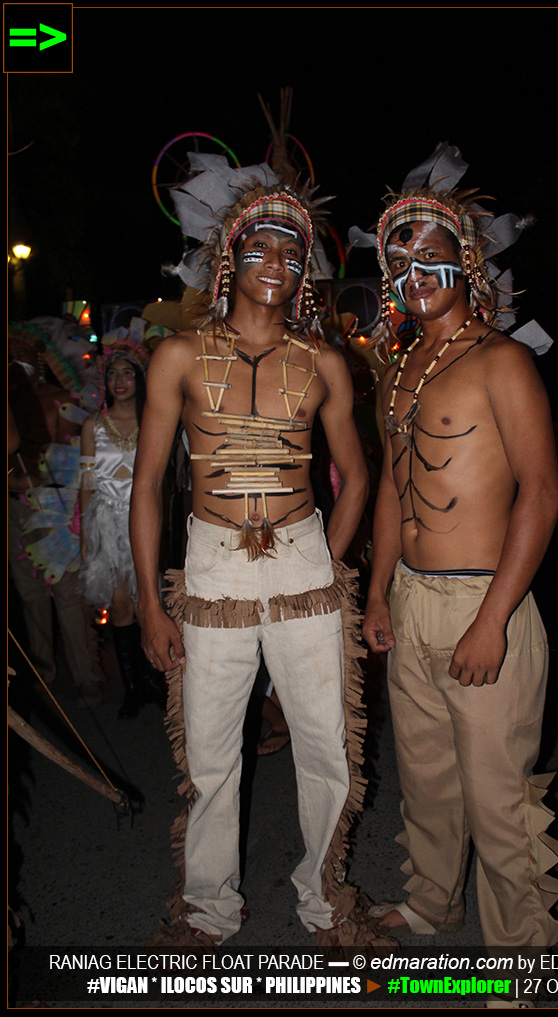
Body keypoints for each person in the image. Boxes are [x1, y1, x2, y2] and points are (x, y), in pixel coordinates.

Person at [130, 156, 369, 944]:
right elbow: (148, 486)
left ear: (306, 270)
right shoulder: (178, 356)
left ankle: (322, 898)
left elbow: (358, 476)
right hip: (213, 562)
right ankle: (207, 907)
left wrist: (320, 565)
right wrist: (146, 603)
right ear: (231, 257)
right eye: (263, 246)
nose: (279, 263)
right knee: (210, 748)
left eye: (293, 253)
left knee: (325, 744)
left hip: (303, 556)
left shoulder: (324, 361)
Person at [355, 144, 558, 986]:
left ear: (467, 261)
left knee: (497, 794)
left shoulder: (503, 361)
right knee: (429, 776)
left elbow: (543, 495)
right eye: (398, 258)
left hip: (487, 602)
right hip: (408, 599)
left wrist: (491, 621)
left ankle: (521, 956)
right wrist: (377, 591)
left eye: (430, 252)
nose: (415, 271)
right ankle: (432, 901)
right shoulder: (400, 370)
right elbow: (386, 487)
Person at [8, 324, 103, 705]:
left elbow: (80, 455)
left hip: (55, 505)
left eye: (23, 354)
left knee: (67, 593)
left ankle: (87, 675)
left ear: (40, 360)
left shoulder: (62, 400)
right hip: (14, 506)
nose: (16, 361)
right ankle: (42, 674)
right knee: (30, 593)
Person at [80, 335, 165, 718]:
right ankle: (133, 687)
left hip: (144, 522)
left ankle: (155, 680)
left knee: (149, 599)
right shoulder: (92, 426)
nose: (119, 381)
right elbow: (86, 484)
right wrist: (86, 535)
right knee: (120, 605)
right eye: (112, 374)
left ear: (140, 378)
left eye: (127, 373)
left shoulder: (155, 420)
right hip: (108, 522)